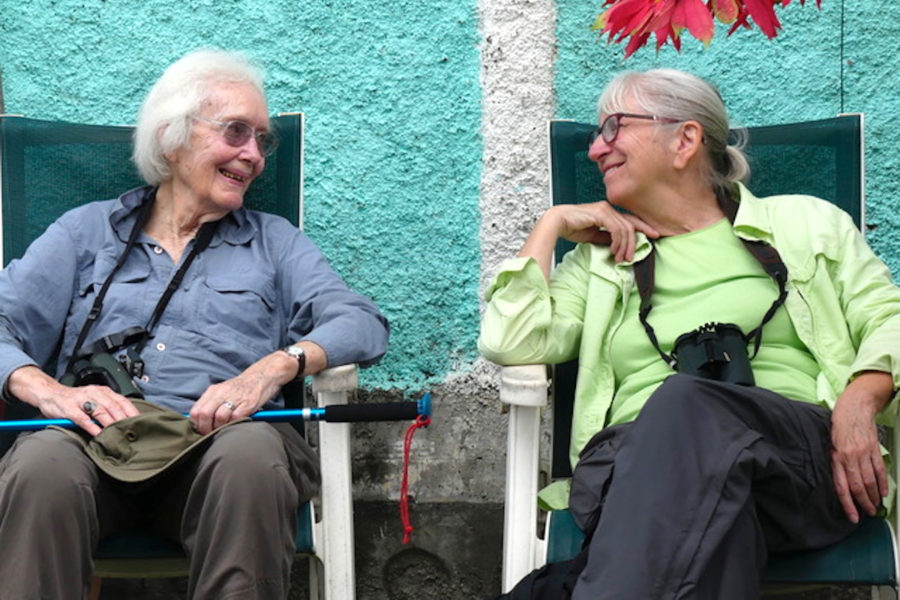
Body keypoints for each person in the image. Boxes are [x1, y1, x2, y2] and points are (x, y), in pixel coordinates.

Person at [480, 68, 900, 599]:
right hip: (628, 475)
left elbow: (889, 317)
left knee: (688, 403)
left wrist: (861, 398)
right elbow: (510, 340)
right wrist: (552, 225)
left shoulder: (806, 224)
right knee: (714, 510)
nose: (594, 150)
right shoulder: (601, 263)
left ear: (685, 139)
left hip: (796, 464)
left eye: (612, 128)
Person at [0, 49, 389, 600]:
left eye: (262, 139)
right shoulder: (85, 233)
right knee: (39, 466)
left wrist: (276, 366)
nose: (253, 154)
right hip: (94, 448)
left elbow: (362, 321)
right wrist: (45, 389)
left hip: (217, 453)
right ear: (172, 138)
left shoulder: (273, 242)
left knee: (252, 458)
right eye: (235, 132)